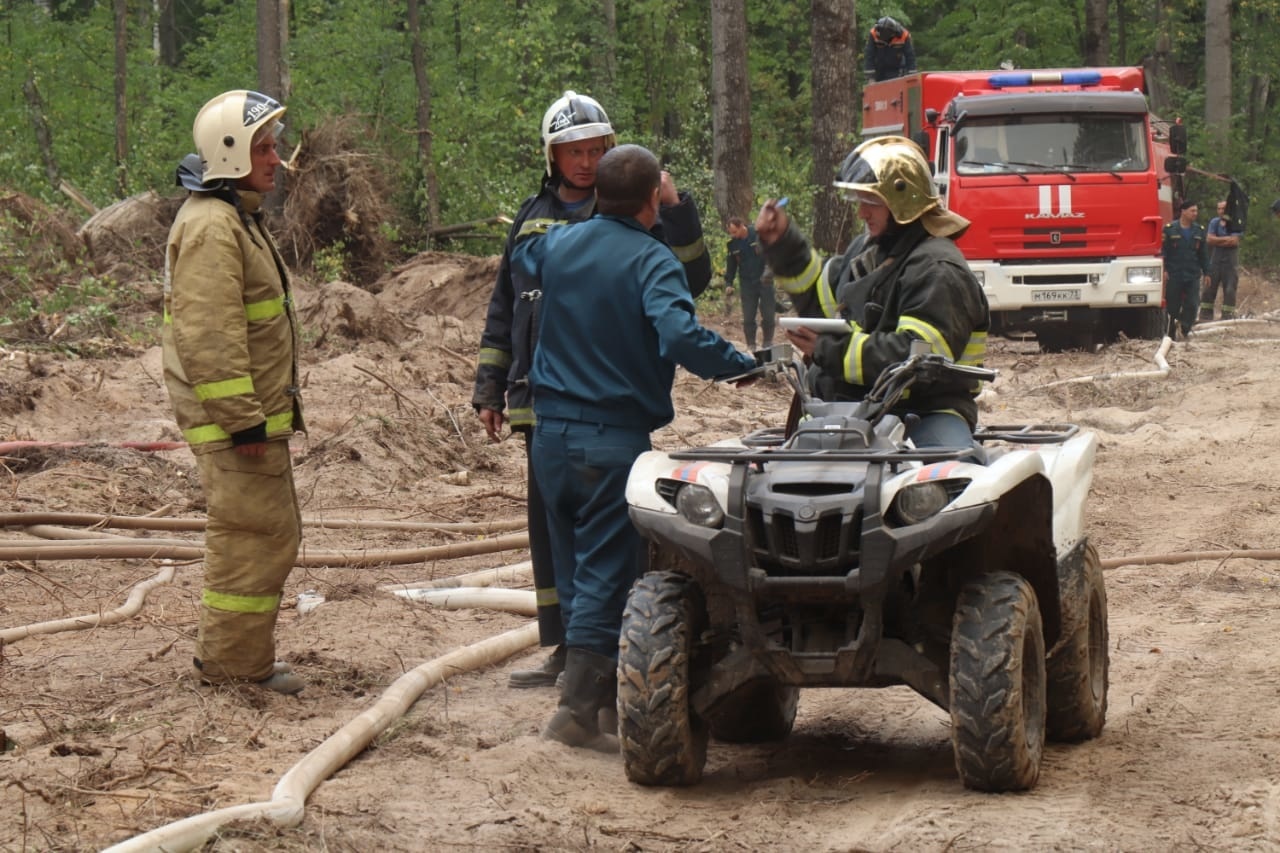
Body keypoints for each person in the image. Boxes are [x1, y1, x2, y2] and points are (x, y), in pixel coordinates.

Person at [513, 144, 757, 751]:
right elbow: (678, 333)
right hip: (609, 438)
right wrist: (740, 365)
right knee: (607, 569)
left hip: (549, 436)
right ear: (654, 199)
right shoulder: (653, 260)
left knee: (572, 565)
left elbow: (525, 251)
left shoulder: (560, 245)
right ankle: (576, 710)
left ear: (598, 192)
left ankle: (595, 707)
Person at [472, 92, 712, 689]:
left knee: (609, 537)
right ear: (551, 157)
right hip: (541, 397)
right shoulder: (534, 219)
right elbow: (505, 304)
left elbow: (692, 276)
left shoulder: (635, 216)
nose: (582, 161)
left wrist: (675, 210)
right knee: (552, 531)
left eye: (593, 151)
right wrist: (490, 386)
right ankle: (566, 650)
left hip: (603, 397)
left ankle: (598, 660)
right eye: (572, 152)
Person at [164, 90, 304, 695]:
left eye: (273, 145)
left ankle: (237, 660)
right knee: (253, 534)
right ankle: (232, 667)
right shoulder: (212, 226)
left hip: (250, 415)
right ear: (230, 154)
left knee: (266, 531)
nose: (277, 158)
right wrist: (241, 420)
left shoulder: (232, 215)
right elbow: (209, 333)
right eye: (264, 147)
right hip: (235, 422)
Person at [756, 135, 989, 450]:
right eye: (858, 201)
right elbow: (820, 299)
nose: (862, 213)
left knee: (948, 479)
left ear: (903, 200)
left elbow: (918, 359)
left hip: (926, 412)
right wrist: (783, 245)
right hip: (854, 409)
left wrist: (832, 349)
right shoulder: (869, 251)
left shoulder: (938, 269)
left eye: (872, 202)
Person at [1161, 199, 1210, 340]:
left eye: (1196, 210)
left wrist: (1207, 272)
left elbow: (1203, 254)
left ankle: (1185, 329)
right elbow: (1164, 252)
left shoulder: (1199, 231)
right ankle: (1170, 334)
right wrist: (1164, 270)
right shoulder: (1170, 229)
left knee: (1192, 304)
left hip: (1192, 274)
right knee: (1172, 307)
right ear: (1183, 211)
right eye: (1192, 210)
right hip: (1174, 274)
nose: (1195, 213)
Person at [724, 216, 775, 350]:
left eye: (734, 232)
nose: (732, 235)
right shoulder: (732, 245)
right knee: (748, 317)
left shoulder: (759, 235)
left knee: (768, 313)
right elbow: (731, 266)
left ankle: (768, 343)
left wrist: (769, 271)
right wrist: (728, 283)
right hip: (747, 283)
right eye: (730, 233)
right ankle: (751, 345)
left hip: (764, 280)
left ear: (742, 226)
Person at [1201, 199, 1240, 321]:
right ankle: (1205, 316)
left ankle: (1227, 316)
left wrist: (1217, 240)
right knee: (1208, 288)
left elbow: (1234, 241)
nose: (1221, 211)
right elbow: (1209, 240)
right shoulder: (1214, 222)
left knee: (1229, 289)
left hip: (1230, 262)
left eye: (1223, 208)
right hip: (1215, 260)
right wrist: (1226, 240)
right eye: (1219, 208)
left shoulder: (1235, 222)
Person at [864, 16, 917, 82]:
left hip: (897, 69)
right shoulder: (873, 33)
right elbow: (869, 54)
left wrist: (912, 75)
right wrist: (870, 77)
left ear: (892, 33)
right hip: (879, 68)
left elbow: (910, 56)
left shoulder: (904, 35)